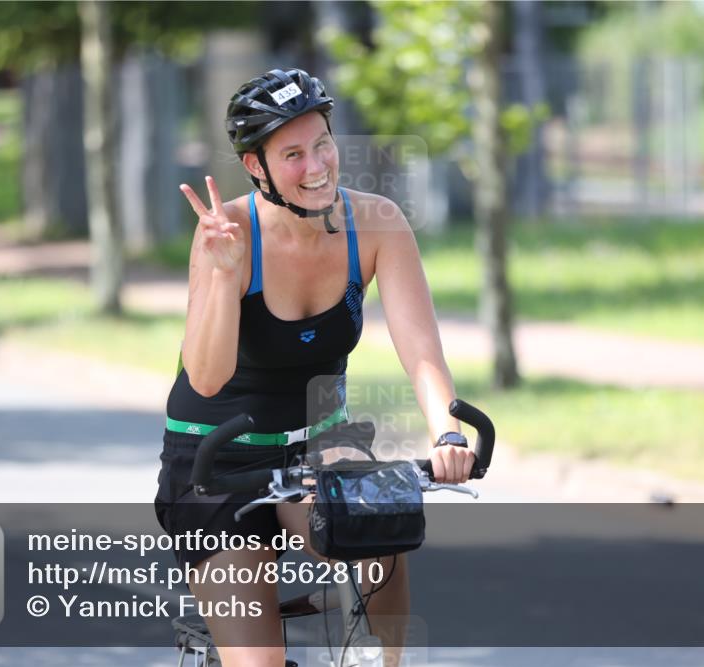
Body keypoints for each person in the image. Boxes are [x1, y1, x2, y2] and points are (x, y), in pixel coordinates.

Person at [155, 67, 475, 667]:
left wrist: (448, 431)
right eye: (293, 154)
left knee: (382, 525)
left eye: (323, 144)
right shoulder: (227, 234)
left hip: (318, 445)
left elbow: (423, 352)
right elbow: (206, 377)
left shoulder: (376, 223)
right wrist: (224, 274)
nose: (318, 166)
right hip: (215, 463)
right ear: (257, 166)